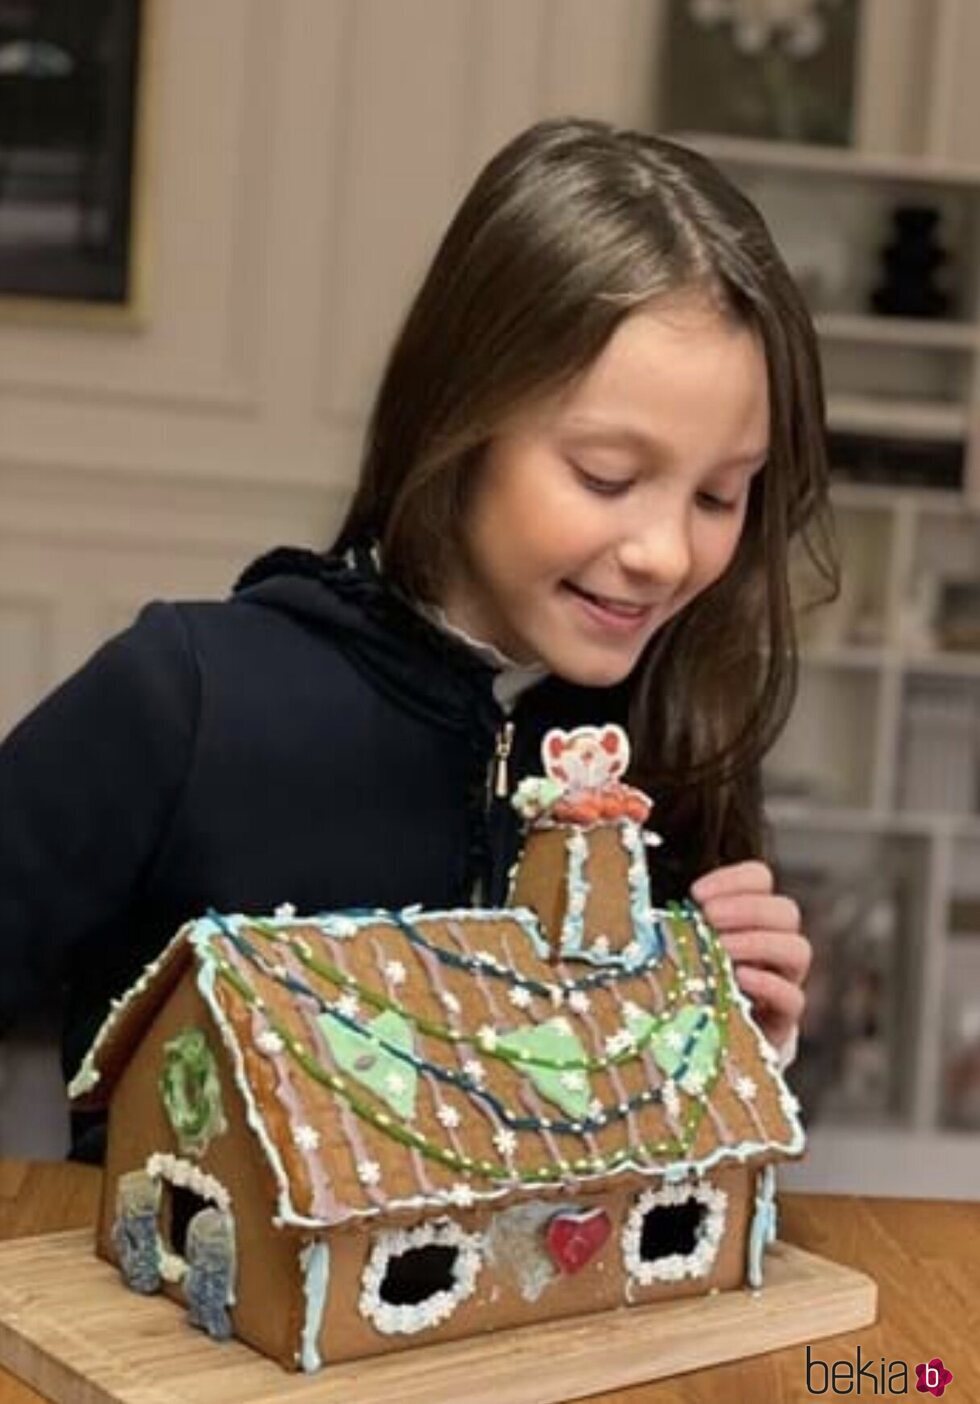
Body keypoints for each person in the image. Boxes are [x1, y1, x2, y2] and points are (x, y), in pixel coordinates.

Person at [0, 117, 836, 1162]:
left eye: (720, 495)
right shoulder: (185, 699)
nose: (664, 553)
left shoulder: (673, 739)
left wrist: (729, 1059)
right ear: (460, 418)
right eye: (606, 478)